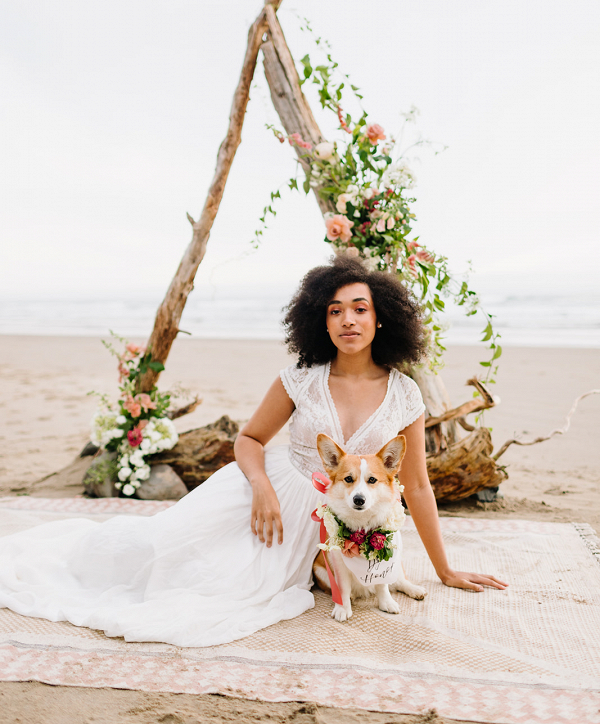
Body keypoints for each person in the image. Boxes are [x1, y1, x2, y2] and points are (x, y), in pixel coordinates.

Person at [0, 257, 507, 648]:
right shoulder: (301, 380)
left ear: (382, 320)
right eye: (334, 311)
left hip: (349, 513)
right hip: (278, 497)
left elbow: (415, 485)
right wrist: (261, 485)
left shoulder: (405, 394)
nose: (347, 320)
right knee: (172, 564)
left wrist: (445, 570)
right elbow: (248, 440)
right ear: (320, 322)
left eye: (359, 309)